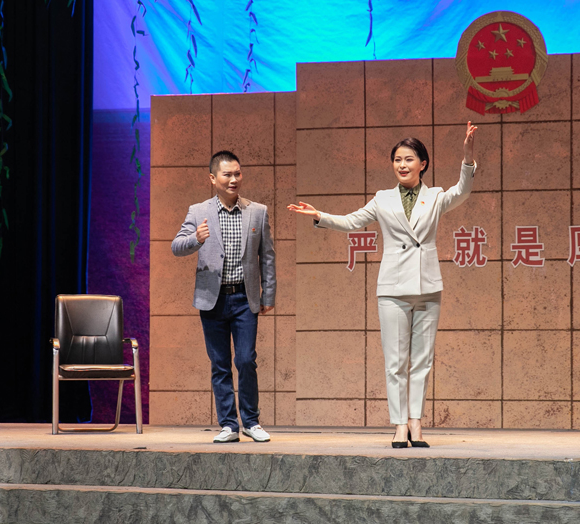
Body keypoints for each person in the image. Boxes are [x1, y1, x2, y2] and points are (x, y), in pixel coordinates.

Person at [288, 122, 478, 448]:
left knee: (422, 361)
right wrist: (320, 215)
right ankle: (400, 425)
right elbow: (352, 221)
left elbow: (462, 190)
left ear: (423, 164)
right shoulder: (382, 198)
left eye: (409, 159)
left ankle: (416, 422)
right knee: (395, 362)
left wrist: (467, 156)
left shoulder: (435, 196)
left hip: (428, 286)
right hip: (392, 288)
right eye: (397, 160)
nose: (402, 165)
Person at [172, 150, 276, 443]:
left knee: (246, 360)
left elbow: (267, 256)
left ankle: (251, 422)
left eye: (237, 173)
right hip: (212, 299)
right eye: (227, 174)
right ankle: (229, 425)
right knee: (220, 363)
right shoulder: (198, 211)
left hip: (244, 298)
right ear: (212, 178)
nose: (233, 179)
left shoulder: (257, 211)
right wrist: (196, 239)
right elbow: (177, 246)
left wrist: (268, 294)